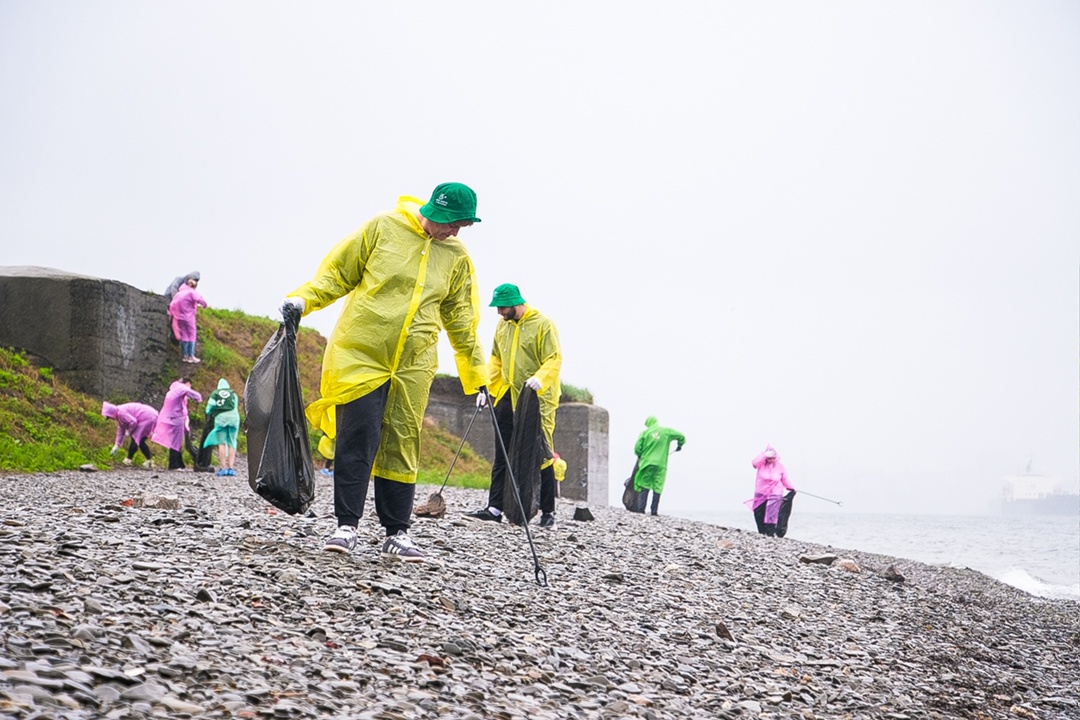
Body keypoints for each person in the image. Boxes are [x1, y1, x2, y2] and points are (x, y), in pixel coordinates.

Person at [280, 182, 487, 562]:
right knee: (358, 436)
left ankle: (397, 532)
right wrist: (303, 299)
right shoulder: (383, 228)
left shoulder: (456, 256)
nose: (455, 232)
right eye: (453, 223)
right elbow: (338, 274)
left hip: (414, 363)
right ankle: (347, 526)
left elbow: (461, 319)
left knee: (403, 441)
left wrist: (478, 378)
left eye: (462, 226)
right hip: (361, 352)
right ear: (436, 212)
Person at [467, 283, 562, 528]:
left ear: (516, 302)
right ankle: (495, 507)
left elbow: (554, 358)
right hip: (507, 394)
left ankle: (547, 512)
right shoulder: (502, 327)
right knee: (503, 452)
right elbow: (496, 361)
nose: (499, 312)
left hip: (536, 398)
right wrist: (485, 388)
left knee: (542, 454)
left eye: (502, 307)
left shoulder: (542, 324)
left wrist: (540, 379)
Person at [631, 417, 685, 516]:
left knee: (645, 484)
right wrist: (679, 445)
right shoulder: (666, 431)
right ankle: (654, 511)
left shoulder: (645, 433)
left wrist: (640, 454)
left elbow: (637, 448)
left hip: (647, 463)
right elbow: (681, 436)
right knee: (658, 485)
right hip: (661, 464)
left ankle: (641, 509)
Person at [151, 377, 203, 470]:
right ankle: (174, 464)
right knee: (176, 442)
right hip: (176, 418)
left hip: (167, 416)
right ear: (186, 383)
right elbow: (196, 396)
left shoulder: (173, 389)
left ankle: (179, 463)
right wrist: (199, 398)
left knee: (175, 442)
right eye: (190, 385)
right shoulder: (182, 389)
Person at [747, 445, 795, 537]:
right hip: (761, 492)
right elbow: (754, 463)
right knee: (758, 511)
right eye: (768, 458)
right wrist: (764, 455)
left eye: (772, 458)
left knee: (771, 513)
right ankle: (762, 531)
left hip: (775, 493)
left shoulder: (780, 467)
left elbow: (785, 479)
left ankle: (770, 533)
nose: (770, 460)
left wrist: (791, 487)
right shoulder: (761, 465)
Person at [101, 401, 158, 468]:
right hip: (150, 416)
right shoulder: (119, 414)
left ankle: (128, 460)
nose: (110, 419)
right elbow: (121, 430)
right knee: (140, 441)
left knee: (135, 439)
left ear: (111, 413)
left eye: (109, 417)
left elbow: (133, 422)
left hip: (148, 417)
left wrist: (129, 431)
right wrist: (117, 445)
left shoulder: (121, 413)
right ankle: (149, 461)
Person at [202, 378, 241, 477]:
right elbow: (235, 407)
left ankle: (223, 468)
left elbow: (209, 407)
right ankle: (231, 468)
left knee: (222, 443)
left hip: (221, 419)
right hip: (234, 419)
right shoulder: (233, 394)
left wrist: (208, 413)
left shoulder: (216, 394)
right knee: (232, 442)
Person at [168, 275, 208, 363]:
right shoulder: (191, 293)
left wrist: (171, 313)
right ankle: (191, 356)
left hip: (179, 318)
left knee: (184, 336)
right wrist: (205, 304)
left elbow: (172, 304)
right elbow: (200, 299)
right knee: (191, 335)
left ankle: (185, 356)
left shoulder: (179, 293)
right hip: (189, 317)